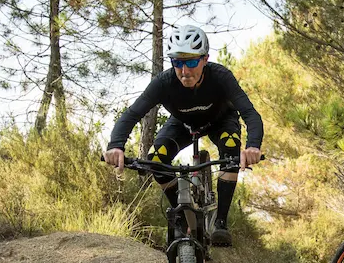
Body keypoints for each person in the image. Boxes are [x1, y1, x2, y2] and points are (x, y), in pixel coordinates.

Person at [103, 24, 263, 247]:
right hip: (182, 123)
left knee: (231, 148)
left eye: (191, 62)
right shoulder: (164, 82)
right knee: (155, 161)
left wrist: (253, 145)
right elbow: (133, 114)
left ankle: (221, 223)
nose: (184, 71)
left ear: (205, 59)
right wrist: (116, 145)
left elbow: (249, 113)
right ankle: (180, 214)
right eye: (177, 62)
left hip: (221, 120)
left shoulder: (221, 77)